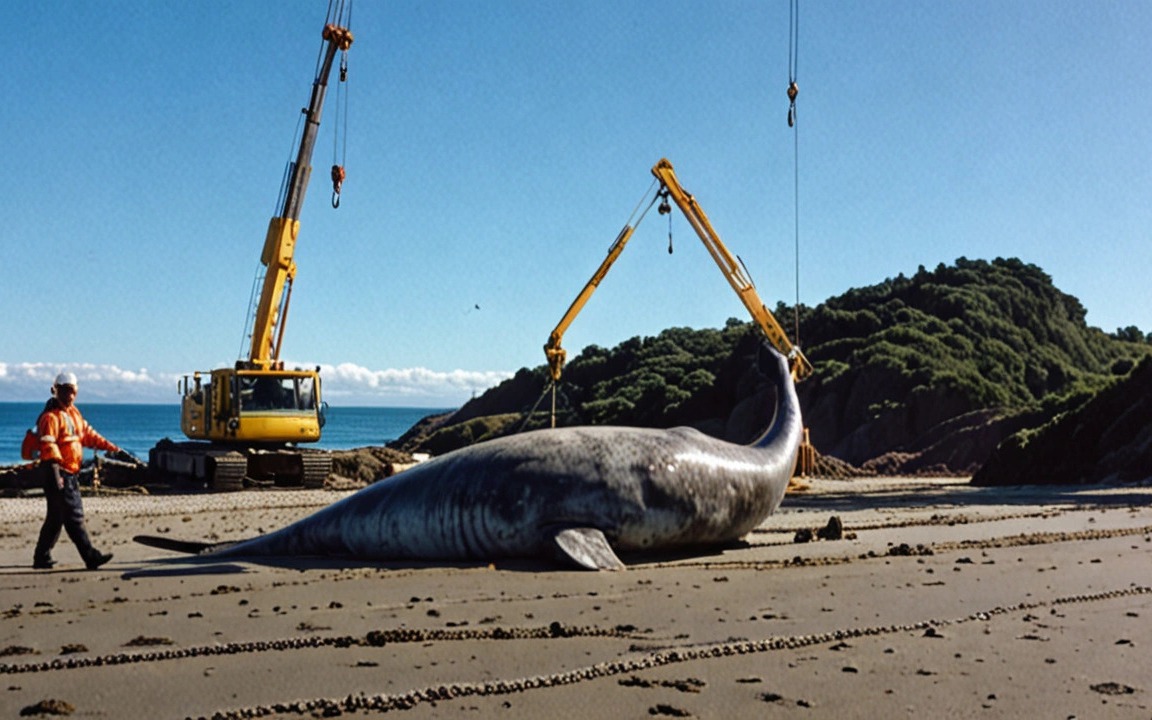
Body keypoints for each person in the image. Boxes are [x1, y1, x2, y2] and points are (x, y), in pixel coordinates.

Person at [32, 372, 122, 570]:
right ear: (56, 391)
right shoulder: (50, 418)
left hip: (68, 473)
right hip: (57, 472)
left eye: (72, 392)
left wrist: (111, 448)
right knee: (74, 516)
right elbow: (49, 448)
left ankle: (41, 557)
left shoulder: (73, 413)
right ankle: (90, 556)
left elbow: (87, 434)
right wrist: (57, 476)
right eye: (65, 391)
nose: (70, 396)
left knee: (56, 518)